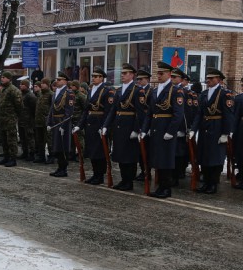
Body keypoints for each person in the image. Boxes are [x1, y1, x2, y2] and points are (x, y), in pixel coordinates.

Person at [140, 61, 184, 198]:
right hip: (155, 129)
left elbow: (178, 114)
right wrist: (144, 129)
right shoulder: (154, 91)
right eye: (158, 73)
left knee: (166, 160)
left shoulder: (176, 90)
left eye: (162, 73)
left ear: (169, 74)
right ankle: (160, 187)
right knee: (157, 159)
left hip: (166, 130)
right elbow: (150, 113)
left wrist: (171, 132)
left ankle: (166, 188)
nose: (159, 75)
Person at [190, 68, 235, 194]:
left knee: (215, 158)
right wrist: (194, 129)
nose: (208, 80)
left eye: (211, 78)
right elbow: (199, 114)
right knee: (204, 156)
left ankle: (213, 183)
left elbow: (229, 115)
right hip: (205, 128)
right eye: (207, 78)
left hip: (217, 127)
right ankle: (206, 182)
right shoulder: (204, 94)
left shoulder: (225, 94)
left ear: (219, 80)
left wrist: (226, 133)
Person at [101, 63, 145, 191]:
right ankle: (123, 179)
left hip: (130, 127)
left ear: (132, 75)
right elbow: (113, 110)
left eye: (125, 73)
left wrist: (136, 129)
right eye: (122, 73)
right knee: (120, 155)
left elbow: (140, 112)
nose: (123, 75)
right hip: (118, 126)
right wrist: (106, 125)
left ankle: (129, 181)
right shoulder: (119, 90)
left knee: (129, 157)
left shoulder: (137, 90)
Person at [73, 67, 113, 185]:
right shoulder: (91, 90)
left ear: (101, 78)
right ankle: (95, 174)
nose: (93, 78)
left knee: (100, 151)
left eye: (96, 77)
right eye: (93, 76)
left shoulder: (106, 90)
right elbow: (86, 110)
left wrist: (105, 126)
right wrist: (79, 125)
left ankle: (100, 176)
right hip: (90, 123)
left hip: (99, 123)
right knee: (92, 151)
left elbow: (108, 111)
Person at [46, 72, 75, 177]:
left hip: (63, 123)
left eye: (59, 79)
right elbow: (52, 109)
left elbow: (69, 112)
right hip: (55, 122)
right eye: (56, 79)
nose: (56, 81)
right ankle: (59, 167)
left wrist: (63, 126)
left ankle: (64, 169)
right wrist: (48, 122)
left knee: (63, 147)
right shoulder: (55, 92)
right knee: (56, 147)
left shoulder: (69, 93)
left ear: (65, 81)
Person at [0, 72, 23, 167]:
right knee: (4, 140)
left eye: (4, 77)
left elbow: (19, 106)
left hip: (10, 119)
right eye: (1, 77)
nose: (2, 79)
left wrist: (14, 116)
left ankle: (13, 158)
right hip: (2, 119)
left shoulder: (14, 90)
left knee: (11, 140)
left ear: (9, 79)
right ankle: (6, 157)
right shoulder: (3, 90)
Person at [19, 79, 37, 161]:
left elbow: (34, 109)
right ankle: (25, 152)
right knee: (22, 138)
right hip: (21, 120)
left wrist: (31, 119)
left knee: (29, 137)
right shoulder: (21, 94)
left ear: (26, 86)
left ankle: (32, 153)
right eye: (20, 84)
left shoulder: (31, 96)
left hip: (29, 121)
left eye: (22, 84)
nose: (20, 86)